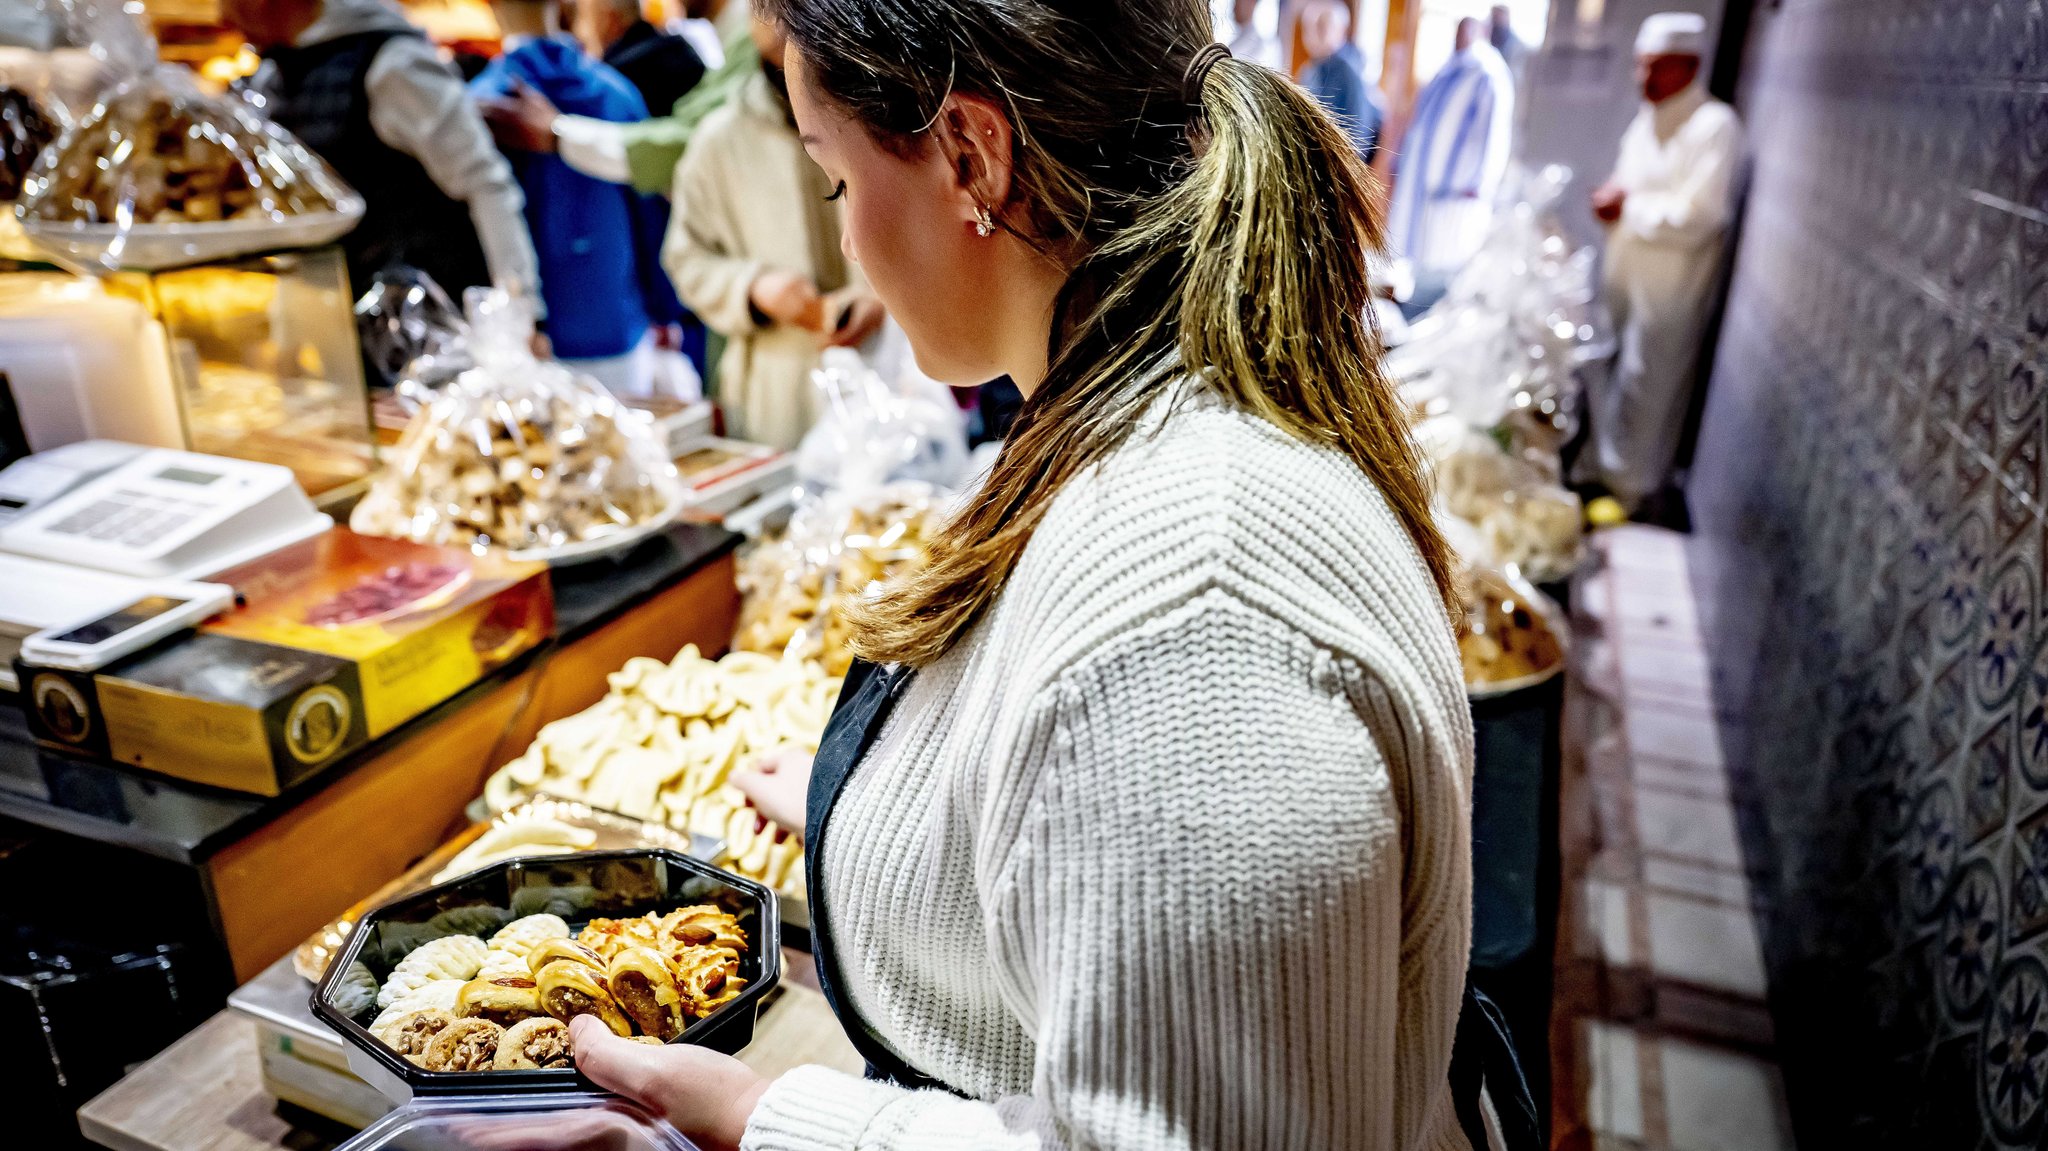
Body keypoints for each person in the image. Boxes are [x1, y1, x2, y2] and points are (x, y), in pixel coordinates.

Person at [559, 2, 1490, 1150]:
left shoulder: (1189, 622)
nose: (844, 240)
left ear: (969, 156)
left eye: (838, 183)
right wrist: (903, 796)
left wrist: (758, 1117)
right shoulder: (1149, 407)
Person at [224, 0, 540, 307]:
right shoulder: (274, 74)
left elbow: (486, 184)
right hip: (330, 306)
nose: (225, 14)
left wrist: (522, 308)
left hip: (425, 313)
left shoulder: (394, 63)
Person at [660, 15, 882, 449]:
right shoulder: (720, 140)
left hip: (884, 364)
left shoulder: (877, 118)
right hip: (776, 384)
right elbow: (685, 257)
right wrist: (754, 288)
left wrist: (880, 296)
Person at [469, 0, 684, 395]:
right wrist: (666, 311)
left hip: (524, 339)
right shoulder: (615, 93)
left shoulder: (480, 105)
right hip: (617, 323)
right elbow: (651, 217)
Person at [1584, 12, 1742, 513]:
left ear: (1689, 66)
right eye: (1640, 66)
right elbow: (1631, 184)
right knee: (1607, 371)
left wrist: (1626, 207)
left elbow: (1701, 215)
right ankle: (1598, 469)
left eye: (1657, 67)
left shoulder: (1713, 126)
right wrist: (1611, 199)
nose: (1644, 79)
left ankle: (1628, 492)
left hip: (1670, 287)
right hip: (1625, 276)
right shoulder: (1646, 119)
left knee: (1648, 382)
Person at [480, 0, 752, 196]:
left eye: (585, 19)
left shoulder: (485, 99)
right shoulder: (620, 91)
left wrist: (558, 134)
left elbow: (688, 145)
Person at [1386, 15, 1515, 311]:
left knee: (1442, 278)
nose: (1460, 36)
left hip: (1456, 198)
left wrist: (1479, 184)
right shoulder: (1447, 69)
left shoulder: (1487, 73)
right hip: (1427, 192)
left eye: (1467, 30)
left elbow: (1493, 136)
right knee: (1419, 269)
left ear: (1480, 31)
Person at [573, 0, 706, 120]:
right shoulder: (679, 47)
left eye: (583, 17)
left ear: (608, 18)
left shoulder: (610, 79)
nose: (580, 29)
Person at [1299, 0, 1384, 164]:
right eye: (1308, 27)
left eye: (1322, 27)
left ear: (1340, 31)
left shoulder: (1349, 72)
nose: (1313, 34)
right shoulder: (1309, 70)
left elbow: (1358, 138)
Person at [1219, 0, 1282, 70]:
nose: (1233, 7)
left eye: (1237, 1)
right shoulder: (1240, 38)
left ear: (1251, 2)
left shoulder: (1256, 46)